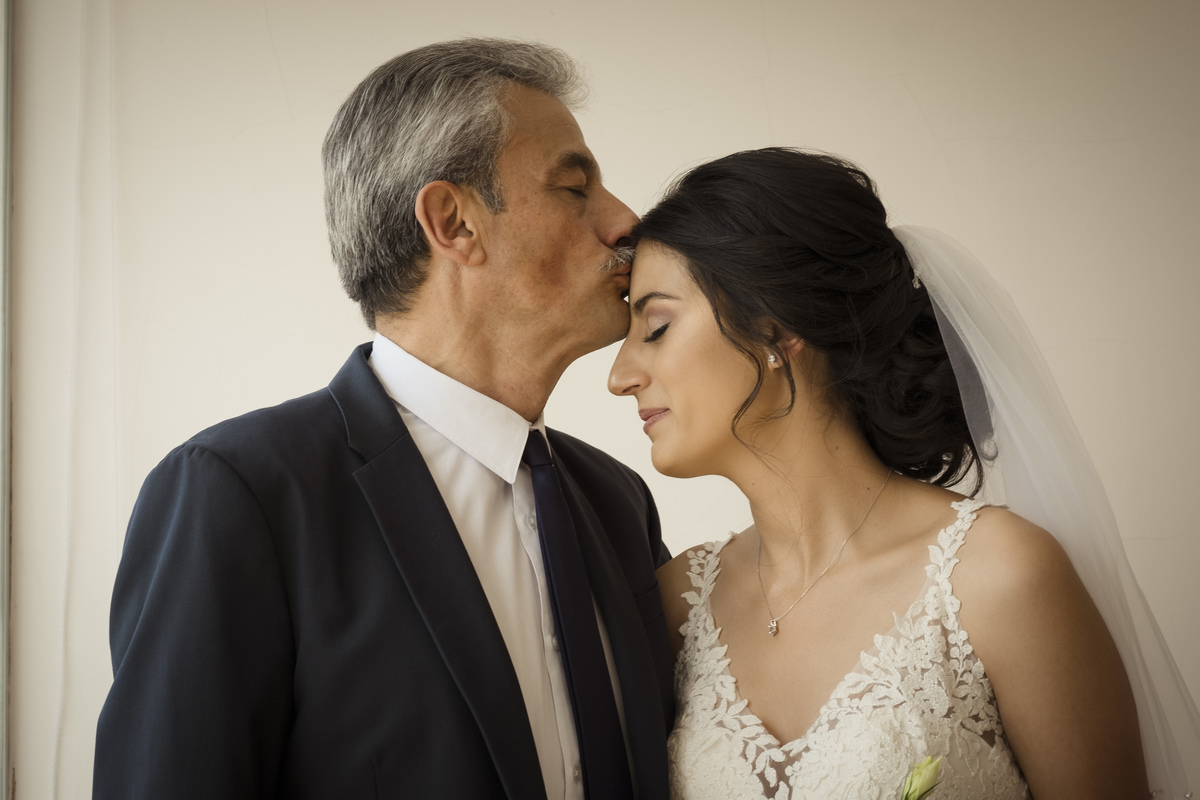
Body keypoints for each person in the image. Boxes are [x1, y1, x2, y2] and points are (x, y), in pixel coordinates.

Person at [93, 39, 674, 799]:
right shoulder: (241, 494)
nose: (626, 219)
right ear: (453, 221)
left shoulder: (618, 500)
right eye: (575, 186)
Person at [608, 148, 1200, 798]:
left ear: (778, 329)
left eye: (656, 327)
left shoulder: (998, 580)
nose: (621, 376)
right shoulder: (677, 605)